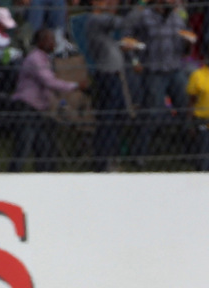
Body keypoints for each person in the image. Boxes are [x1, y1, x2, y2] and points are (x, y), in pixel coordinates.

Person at [127, 0, 196, 163]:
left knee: (185, 109)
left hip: (175, 69)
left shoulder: (178, 18)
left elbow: (184, 46)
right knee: (152, 112)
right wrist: (135, 61)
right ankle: (140, 154)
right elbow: (128, 38)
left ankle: (189, 152)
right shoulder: (144, 16)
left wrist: (188, 44)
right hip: (154, 71)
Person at [9, 28, 81, 172]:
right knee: (24, 146)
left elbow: (47, 87)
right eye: (50, 40)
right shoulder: (35, 58)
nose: (54, 43)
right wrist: (75, 86)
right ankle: (13, 175)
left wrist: (60, 103)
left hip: (39, 110)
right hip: (27, 107)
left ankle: (44, 174)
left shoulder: (45, 59)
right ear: (41, 41)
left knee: (44, 145)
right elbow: (49, 82)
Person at [86, 0, 134, 171]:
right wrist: (140, 5)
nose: (109, 3)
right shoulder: (95, 20)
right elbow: (124, 23)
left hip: (113, 75)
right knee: (109, 118)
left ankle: (111, 155)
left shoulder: (101, 28)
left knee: (119, 115)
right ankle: (103, 160)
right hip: (107, 76)